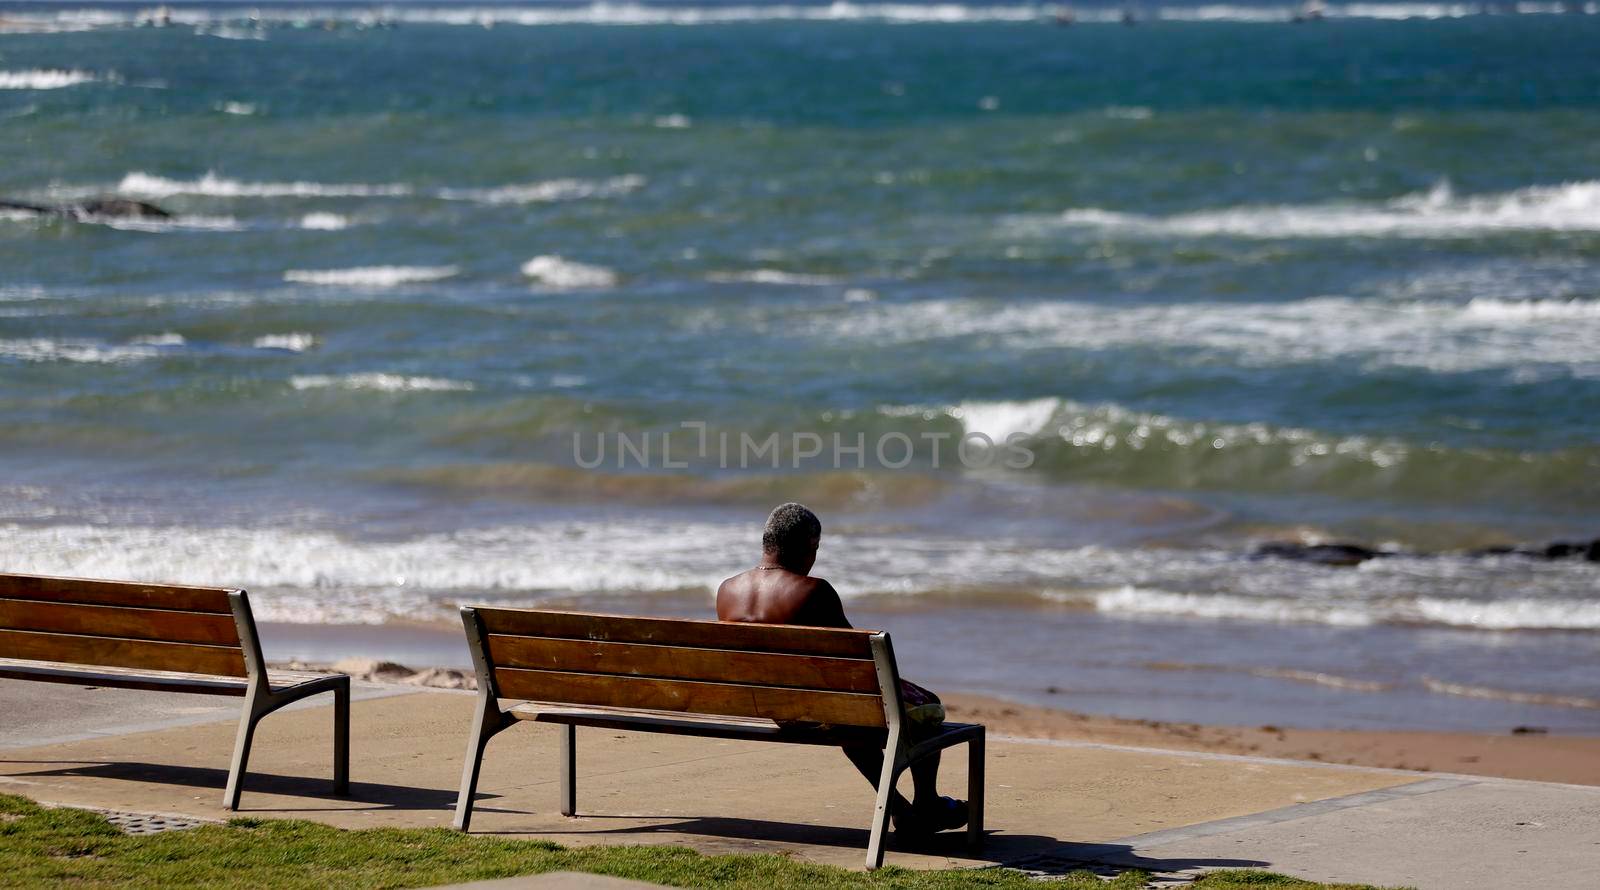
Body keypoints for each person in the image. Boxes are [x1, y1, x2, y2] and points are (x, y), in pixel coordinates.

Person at [716, 502, 968, 835]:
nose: (815, 557)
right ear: (806, 545)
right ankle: (926, 803)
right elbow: (862, 661)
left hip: (776, 709)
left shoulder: (727, 590)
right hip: (820, 709)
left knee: (849, 717)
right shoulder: (813, 591)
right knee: (927, 707)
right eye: (815, 548)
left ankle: (899, 808)